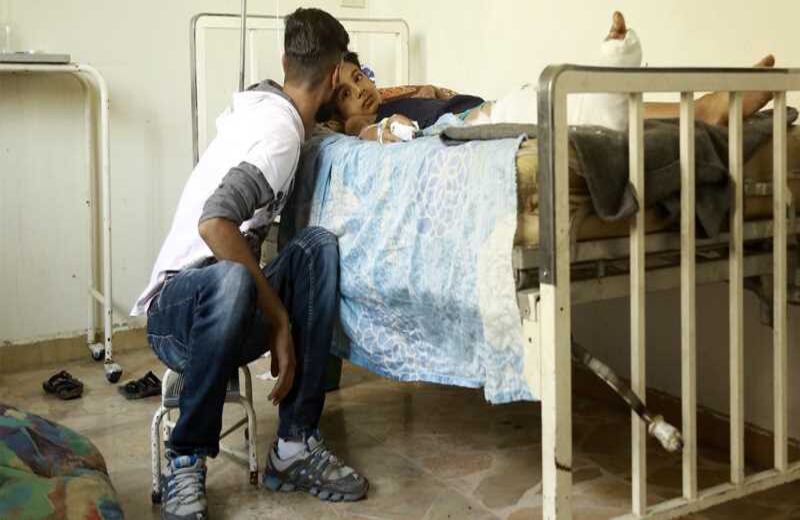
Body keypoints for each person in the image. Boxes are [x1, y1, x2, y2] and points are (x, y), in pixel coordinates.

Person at [131, 8, 368, 519]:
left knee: (317, 248)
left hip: (228, 309)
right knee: (234, 278)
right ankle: (185, 458)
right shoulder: (279, 133)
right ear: (334, 77)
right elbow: (215, 224)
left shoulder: (272, 111)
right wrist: (279, 319)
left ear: (285, 62)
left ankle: (294, 445)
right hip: (177, 314)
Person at [329, 11, 776, 142]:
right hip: (474, 128)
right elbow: (362, 132)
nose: (359, 92)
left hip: (491, 110)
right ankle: (706, 109)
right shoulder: (356, 127)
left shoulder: (400, 93)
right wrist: (380, 127)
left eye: (357, 78)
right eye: (345, 94)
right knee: (576, 105)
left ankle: (705, 109)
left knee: (581, 106)